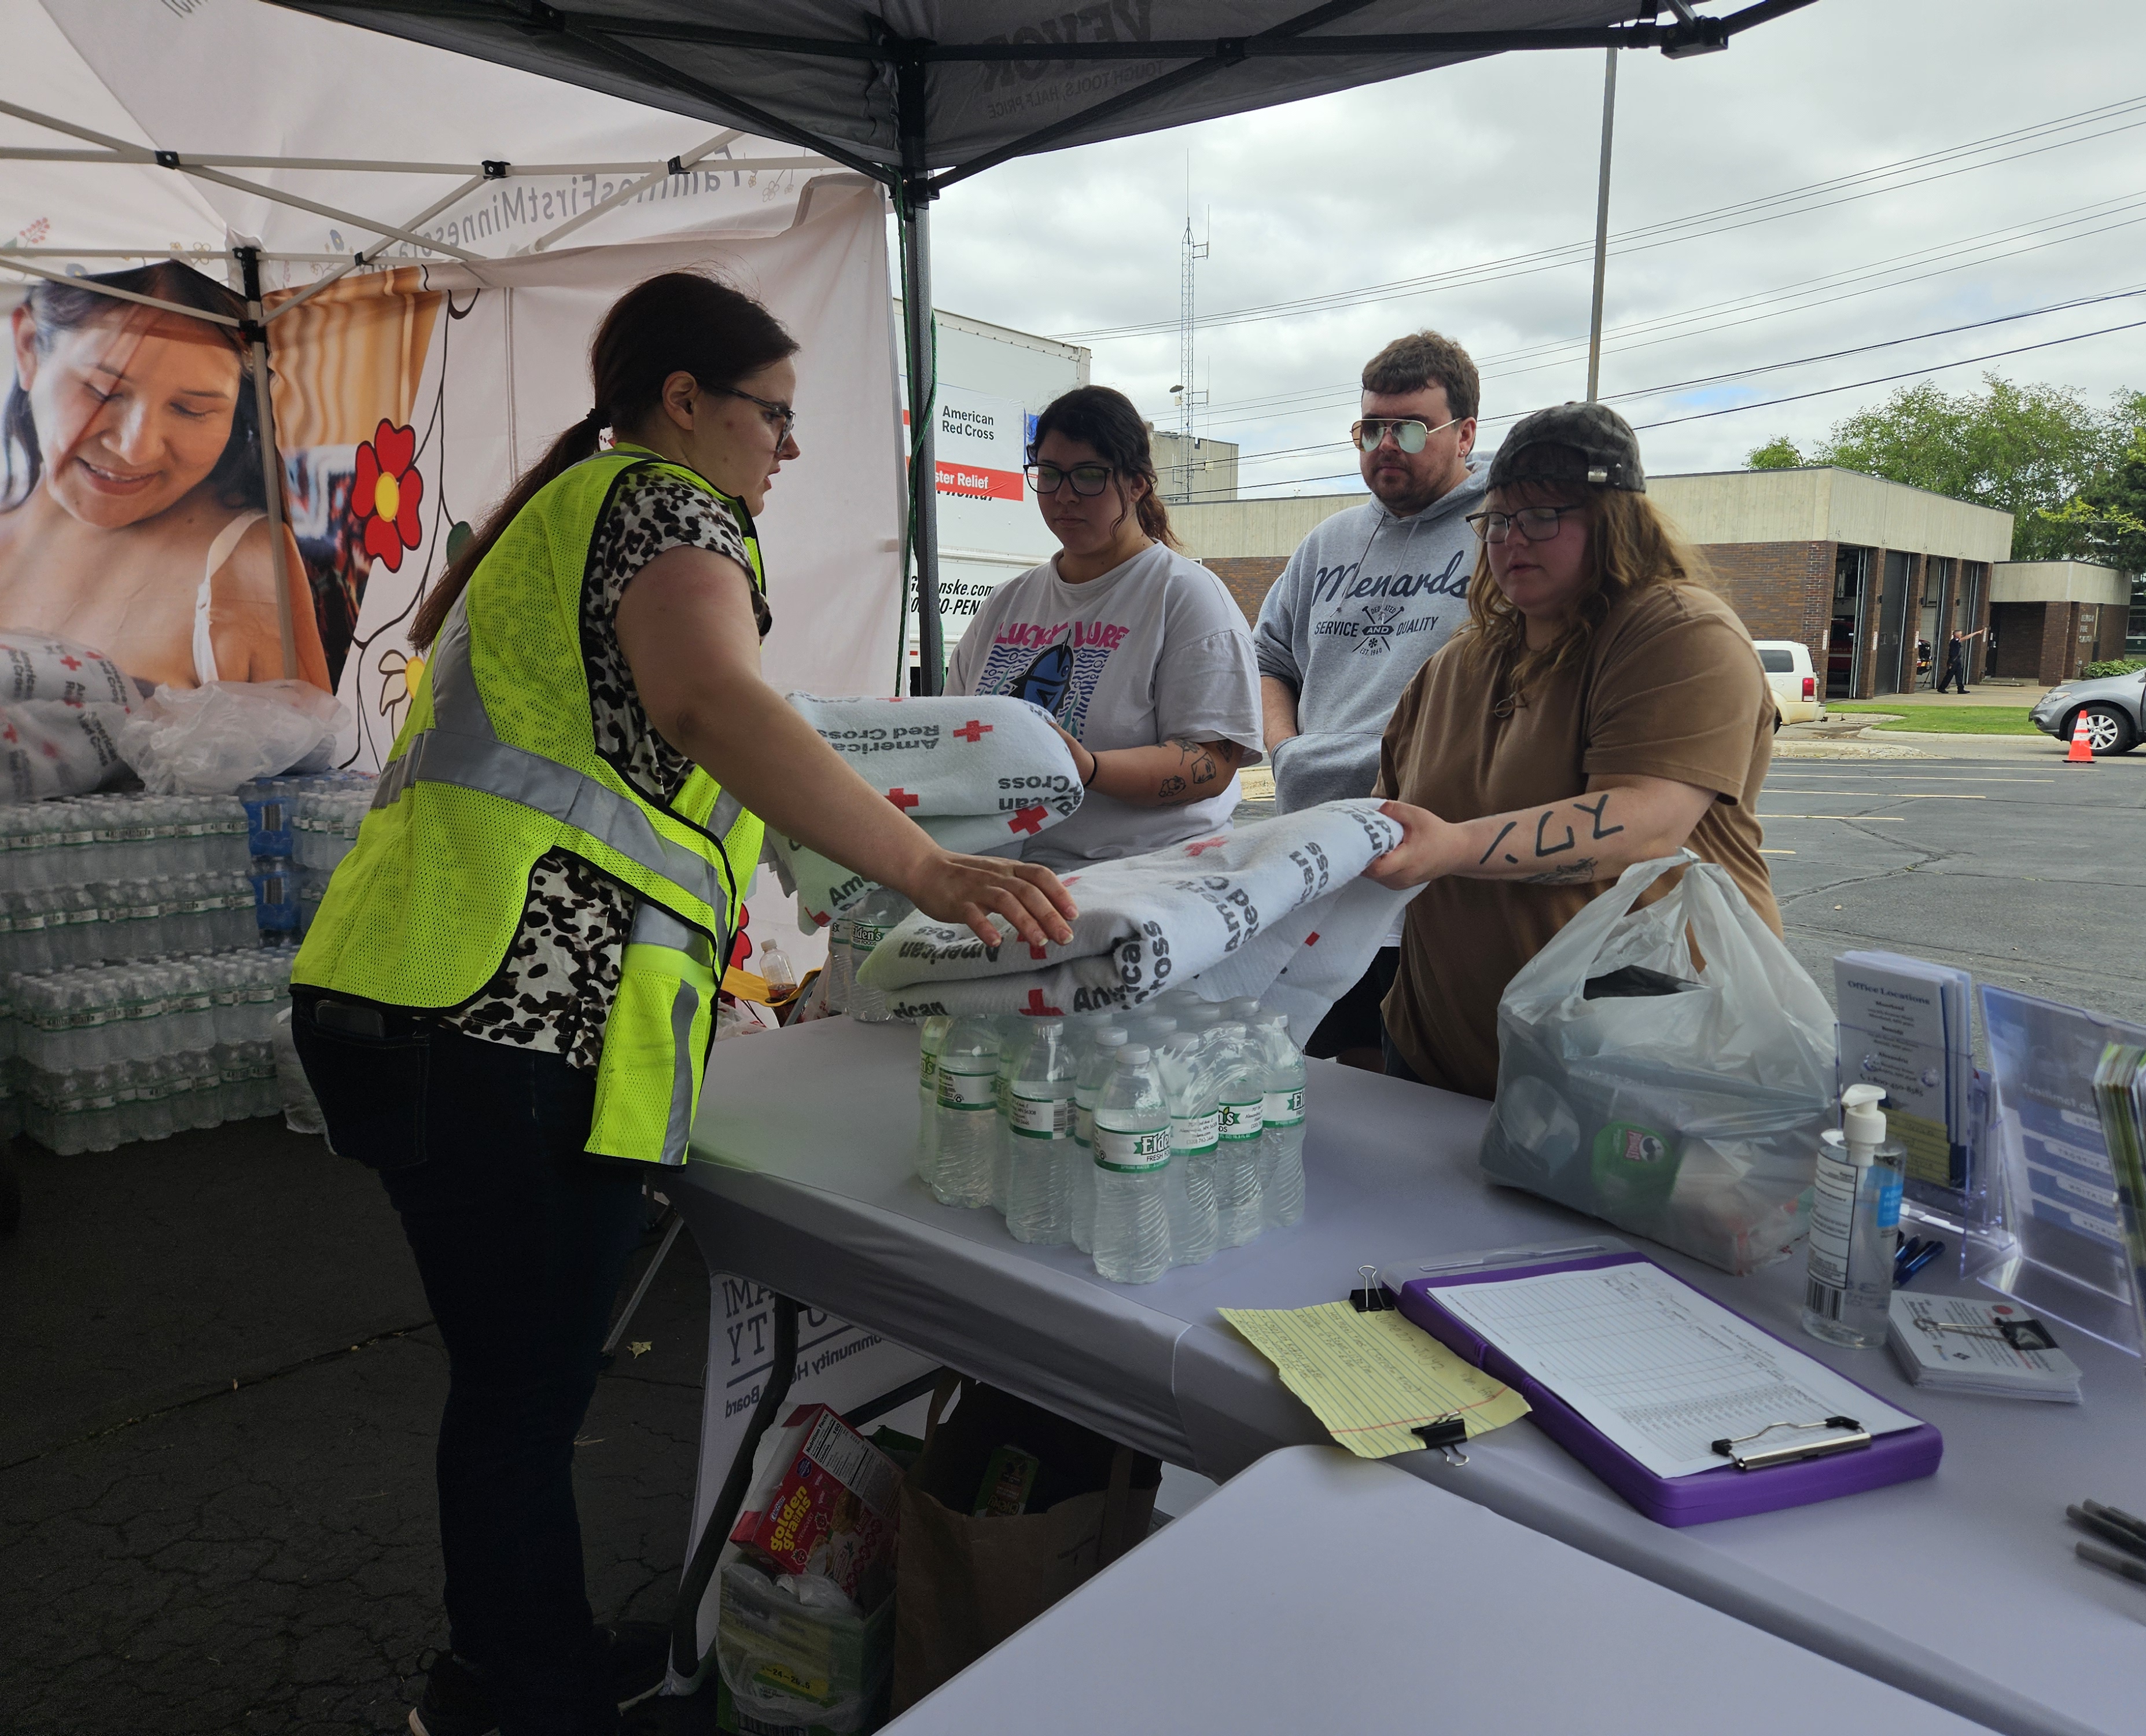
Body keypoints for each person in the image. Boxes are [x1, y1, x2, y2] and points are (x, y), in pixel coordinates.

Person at [288, 273, 1076, 1736]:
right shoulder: (664, 506)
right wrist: (923, 866)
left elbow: (644, 759)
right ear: (684, 401)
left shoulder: (569, 510)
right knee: (523, 1399)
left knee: (509, 1388)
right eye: (773, 415)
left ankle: (516, 1656)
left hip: (417, 999)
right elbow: (713, 704)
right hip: (506, 1020)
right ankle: (515, 1696)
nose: (787, 446)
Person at [1362, 402, 1780, 1098]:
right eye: (1497, 521)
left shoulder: (1680, 633)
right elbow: (1388, 815)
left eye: (1541, 516)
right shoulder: (1454, 664)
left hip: (1628, 1082)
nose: (1511, 540)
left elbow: (1645, 825)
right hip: (1436, 1060)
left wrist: (1453, 847)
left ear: (1614, 521)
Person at [1254, 331, 1486, 1068]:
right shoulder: (1327, 544)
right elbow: (1267, 660)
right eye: (1371, 428)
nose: (1386, 445)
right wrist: (1284, 748)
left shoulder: (1502, 535)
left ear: (1465, 434)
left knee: (1416, 1091)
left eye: (1410, 428)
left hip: (1430, 877)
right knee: (1324, 1077)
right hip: (1315, 860)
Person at [947, 385, 1263, 870]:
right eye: (1049, 474)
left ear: (1137, 484)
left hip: (1138, 878)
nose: (1064, 495)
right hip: (1005, 877)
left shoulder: (1185, 597)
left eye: (1089, 475)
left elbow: (1213, 763)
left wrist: (1089, 769)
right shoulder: (1006, 604)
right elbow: (952, 734)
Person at [0, 260, 327, 689]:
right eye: (104, 393)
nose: (136, 448)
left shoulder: (245, 570)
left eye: (191, 410)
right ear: (28, 347)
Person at [1936, 625, 1985, 693]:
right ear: (1957, 635)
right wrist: (1976, 633)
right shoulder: (1954, 641)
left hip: (1957, 661)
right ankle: (1942, 688)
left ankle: (1961, 689)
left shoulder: (1956, 641)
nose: (1961, 635)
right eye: (1961, 634)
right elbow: (1965, 638)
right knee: (1949, 675)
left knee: (1959, 675)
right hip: (1953, 661)